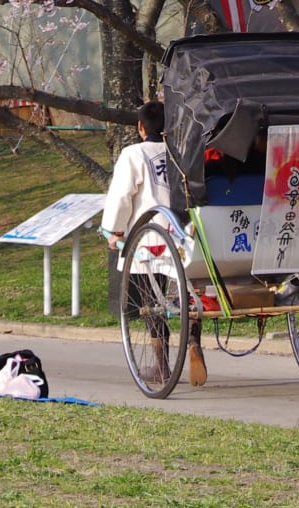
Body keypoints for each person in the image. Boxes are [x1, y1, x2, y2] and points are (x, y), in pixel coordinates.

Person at [103, 102, 202, 384]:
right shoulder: (181, 153)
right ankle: (194, 341)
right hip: (185, 235)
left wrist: (115, 231)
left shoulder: (133, 153)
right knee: (191, 295)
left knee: (151, 302)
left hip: (150, 238)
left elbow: (122, 196)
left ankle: (162, 365)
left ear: (140, 127)